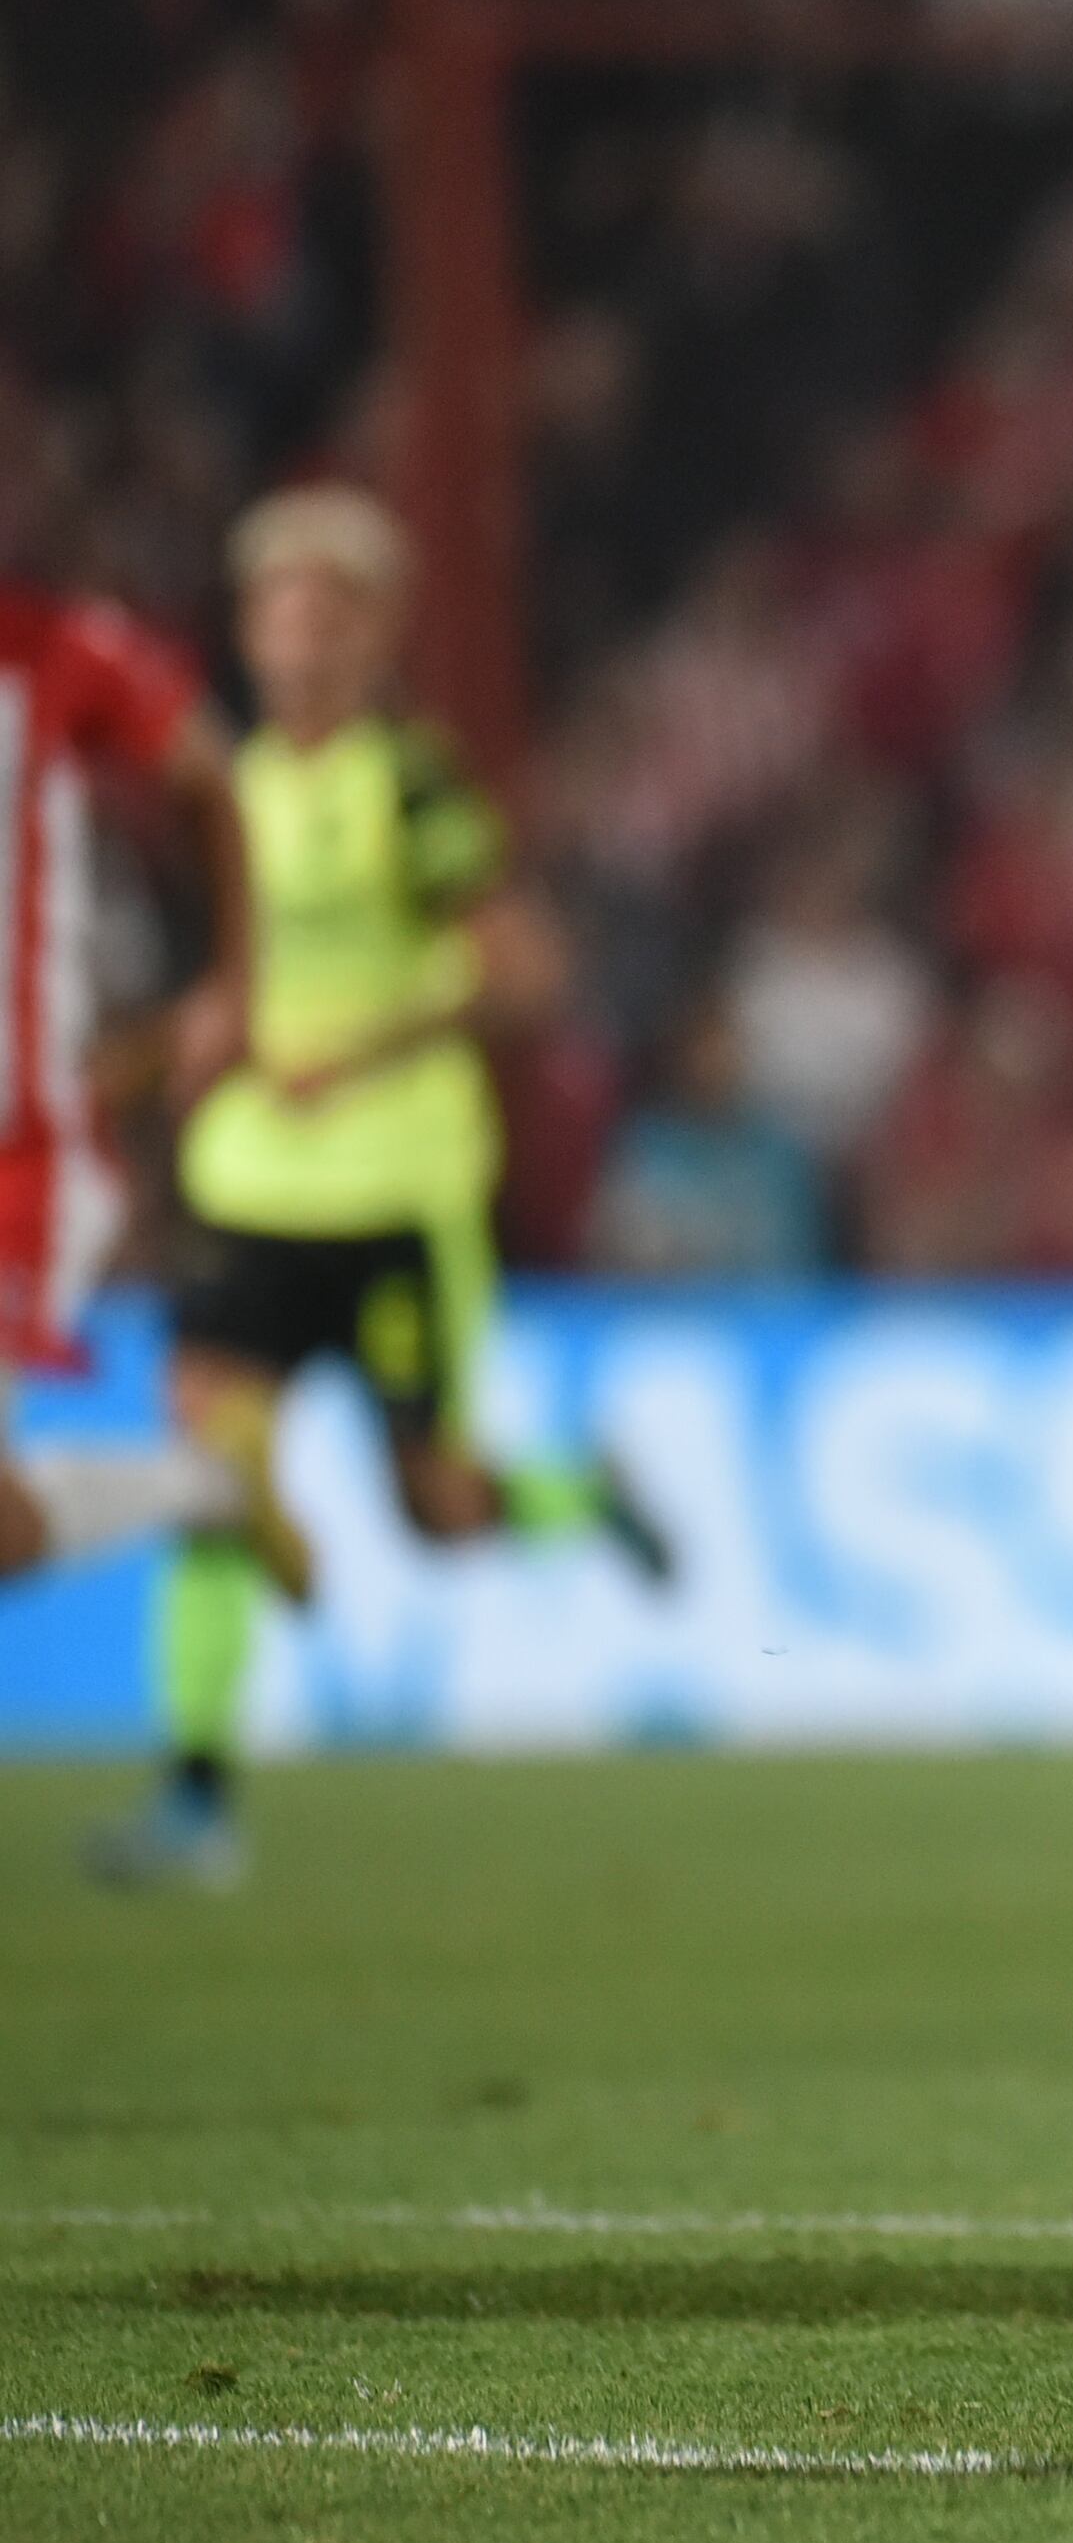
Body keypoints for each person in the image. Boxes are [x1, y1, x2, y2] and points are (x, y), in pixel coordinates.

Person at [98, 486, 669, 1889]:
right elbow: (241, 988)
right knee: (203, 1468)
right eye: (273, 608)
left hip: (398, 1194)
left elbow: (524, 967)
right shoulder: (226, 787)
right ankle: (196, 1801)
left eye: (325, 610)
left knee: (436, 1507)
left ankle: (580, 1497)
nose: (294, 636)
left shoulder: (409, 784)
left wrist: (352, 1052)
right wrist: (134, 1068)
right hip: (247, 1185)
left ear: (373, 635)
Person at [0, 566, 306, 1608]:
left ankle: (207, 1481)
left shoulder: (49, 644)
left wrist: (234, 982)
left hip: (18, 1158)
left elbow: (206, 769)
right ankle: (210, 1482)